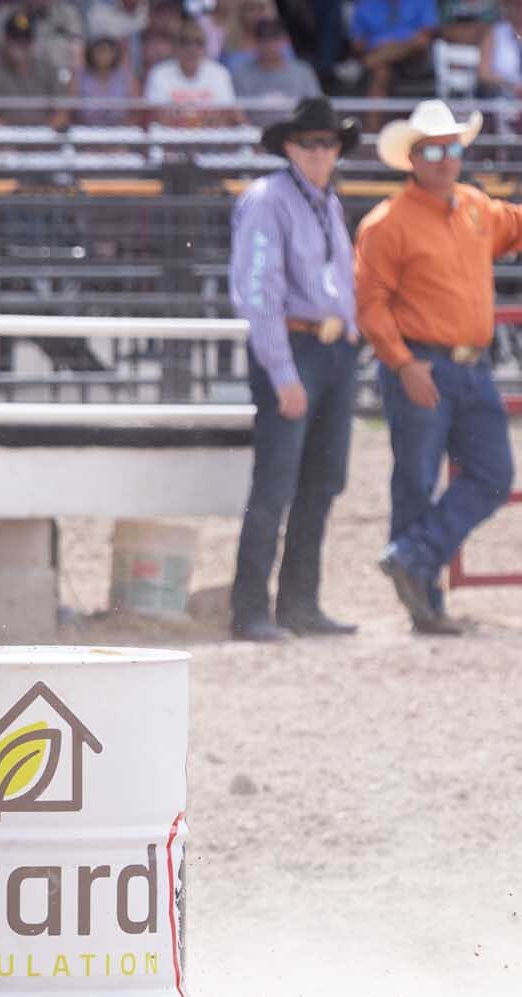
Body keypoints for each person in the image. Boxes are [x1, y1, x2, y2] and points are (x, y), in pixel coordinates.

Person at [355, 99, 522, 635]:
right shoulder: (388, 224)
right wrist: (403, 363)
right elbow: (370, 305)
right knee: (419, 480)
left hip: (466, 365)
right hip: (424, 363)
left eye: (452, 149)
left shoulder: (475, 208)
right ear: (414, 157)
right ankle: (424, 599)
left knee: (491, 474)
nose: (446, 159)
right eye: (434, 150)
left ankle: (413, 558)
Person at [226, 97, 363, 641]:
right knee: (277, 483)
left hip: (331, 348)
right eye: (310, 143)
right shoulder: (268, 201)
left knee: (323, 480)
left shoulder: (326, 202)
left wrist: (349, 329)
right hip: (294, 345)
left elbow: (339, 277)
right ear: (289, 146)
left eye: (328, 143)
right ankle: (251, 608)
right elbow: (258, 292)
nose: (320, 152)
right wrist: (283, 372)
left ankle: (300, 603)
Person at [0, 10, 69, 125]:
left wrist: (45, 132)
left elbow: (62, 109)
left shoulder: (47, 68)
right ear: (5, 38)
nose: (21, 43)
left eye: (26, 38)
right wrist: (10, 134)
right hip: (0, 138)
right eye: (15, 38)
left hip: (43, 137)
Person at [142, 22, 240, 123]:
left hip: (211, 137)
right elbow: (158, 117)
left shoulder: (220, 73)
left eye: (198, 43)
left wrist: (183, 118)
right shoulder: (159, 74)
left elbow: (226, 116)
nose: (192, 48)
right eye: (185, 42)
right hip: (169, 138)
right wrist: (204, 119)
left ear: (205, 48)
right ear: (175, 47)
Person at [349, 0, 436, 99]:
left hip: (415, 58)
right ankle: (373, 114)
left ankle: (364, 64)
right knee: (381, 72)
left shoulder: (422, 1)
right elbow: (357, 44)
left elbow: (429, 33)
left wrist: (395, 44)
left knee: (420, 41)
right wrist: (387, 46)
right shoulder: (365, 5)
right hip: (379, 54)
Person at [234, 14, 322, 104]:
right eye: (264, 39)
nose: (270, 45)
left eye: (275, 38)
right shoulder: (241, 74)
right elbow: (237, 111)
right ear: (254, 42)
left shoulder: (303, 72)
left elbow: (315, 108)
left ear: (285, 40)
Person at [76, 32, 140, 122]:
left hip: (122, 131)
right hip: (85, 130)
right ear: (91, 52)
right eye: (100, 51)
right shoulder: (80, 76)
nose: (104, 56)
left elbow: (137, 110)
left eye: (109, 51)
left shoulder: (127, 76)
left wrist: (122, 129)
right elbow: (70, 109)